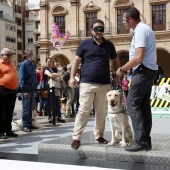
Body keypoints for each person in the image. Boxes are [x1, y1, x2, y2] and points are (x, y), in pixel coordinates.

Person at [69, 19, 120, 150]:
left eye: (101, 29)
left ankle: (99, 135)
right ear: (91, 30)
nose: (99, 32)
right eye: (96, 29)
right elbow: (76, 61)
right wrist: (72, 78)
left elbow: (115, 60)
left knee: (102, 112)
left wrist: (117, 75)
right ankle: (76, 137)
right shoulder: (84, 44)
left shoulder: (109, 45)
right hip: (87, 83)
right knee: (83, 111)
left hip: (104, 84)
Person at [116, 7, 158, 152]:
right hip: (148, 71)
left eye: (124, 21)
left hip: (143, 71)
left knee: (132, 102)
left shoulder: (140, 30)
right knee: (143, 106)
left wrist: (122, 69)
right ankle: (146, 141)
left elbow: (139, 57)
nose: (124, 24)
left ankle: (140, 141)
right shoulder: (146, 29)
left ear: (130, 19)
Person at [0, 48, 18, 139]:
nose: (10, 56)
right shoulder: (0, 64)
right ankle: (1, 132)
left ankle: (8, 130)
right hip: (2, 90)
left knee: (9, 112)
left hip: (12, 91)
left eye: (11, 55)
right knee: (1, 111)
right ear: (2, 56)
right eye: (7, 55)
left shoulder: (12, 64)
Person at [18, 50, 37, 132]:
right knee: (25, 107)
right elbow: (21, 79)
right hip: (27, 87)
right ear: (26, 55)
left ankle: (29, 123)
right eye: (29, 54)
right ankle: (25, 125)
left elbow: (34, 77)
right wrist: (24, 91)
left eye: (31, 54)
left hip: (32, 88)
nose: (31, 56)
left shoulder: (32, 65)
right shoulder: (23, 65)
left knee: (31, 107)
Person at [43, 57, 61, 123]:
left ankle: (59, 116)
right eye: (48, 61)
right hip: (48, 87)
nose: (49, 62)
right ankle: (50, 117)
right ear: (46, 62)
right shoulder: (45, 69)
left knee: (57, 102)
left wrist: (57, 75)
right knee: (49, 102)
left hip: (55, 87)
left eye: (50, 61)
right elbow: (51, 75)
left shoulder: (53, 69)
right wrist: (58, 75)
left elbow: (58, 77)